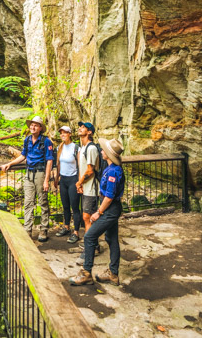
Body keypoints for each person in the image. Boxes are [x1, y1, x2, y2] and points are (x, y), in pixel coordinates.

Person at [69, 137, 125, 286]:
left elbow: (109, 197)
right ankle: (113, 273)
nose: (101, 151)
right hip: (110, 208)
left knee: (89, 236)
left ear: (108, 154)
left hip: (110, 209)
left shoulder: (114, 171)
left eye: (104, 150)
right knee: (111, 239)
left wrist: (98, 212)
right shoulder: (109, 167)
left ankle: (86, 272)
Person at [0, 116, 54, 242]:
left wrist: (46, 180)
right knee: (28, 202)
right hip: (29, 173)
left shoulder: (46, 142)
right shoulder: (27, 140)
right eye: (31, 125)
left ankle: (43, 229)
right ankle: (28, 229)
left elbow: (50, 161)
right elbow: (23, 155)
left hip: (40, 173)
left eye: (36, 125)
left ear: (40, 128)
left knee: (43, 201)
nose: (32, 127)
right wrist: (10, 164)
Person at [75, 121, 101, 263]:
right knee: (87, 217)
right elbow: (82, 168)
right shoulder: (82, 147)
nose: (80, 128)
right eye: (80, 127)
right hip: (86, 187)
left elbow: (90, 170)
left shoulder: (91, 148)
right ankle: (93, 244)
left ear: (89, 132)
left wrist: (79, 182)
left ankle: (89, 246)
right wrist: (80, 185)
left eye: (83, 127)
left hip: (92, 188)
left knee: (87, 217)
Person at [54, 126, 81, 243]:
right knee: (65, 206)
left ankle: (76, 232)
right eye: (61, 133)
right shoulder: (60, 147)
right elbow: (58, 164)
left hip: (73, 179)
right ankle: (66, 227)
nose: (63, 135)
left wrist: (79, 182)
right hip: (63, 179)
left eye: (65, 133)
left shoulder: (76, 148)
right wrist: (56, 179)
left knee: (74, 207)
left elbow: (80, 165)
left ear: (70, 134)